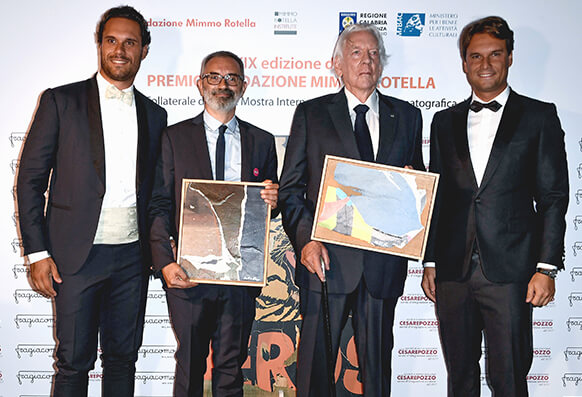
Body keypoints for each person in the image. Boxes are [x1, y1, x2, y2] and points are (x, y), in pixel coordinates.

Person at [16, 6, 167, 397]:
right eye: (111, 40)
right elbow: (30, 182)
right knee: (73, 364)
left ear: (144, 50)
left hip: (133, 260)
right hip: (74, 258)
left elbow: (159, 191)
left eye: (130, 42)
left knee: (123, 360)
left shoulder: (155, 115)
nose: (120, 50)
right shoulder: (60, 101)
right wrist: (37, 254)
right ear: (99, 45)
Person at [421, 16, 568, 397]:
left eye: (495, 55)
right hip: (453, 273)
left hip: (511, 273)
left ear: (510, 58)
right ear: (464, 63)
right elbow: (437, 197)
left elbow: (553, 197)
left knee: (508, 379)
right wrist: (431, 261)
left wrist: (546, 268)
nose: (485, 64)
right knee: (460, 378)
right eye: (475, 56)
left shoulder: (539, 117)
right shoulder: (443, 122)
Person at [279, 23, 424, 396]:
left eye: (374, 53)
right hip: (325, 261)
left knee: (378, 374)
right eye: (357, 53)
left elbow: (420, 189)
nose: (367, 60)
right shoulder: (311, 114)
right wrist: (305, 243)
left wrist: (414, 185)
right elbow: (291, 189)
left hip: (382, 264)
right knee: (314, 371)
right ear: (338, 65)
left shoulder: (407, 117)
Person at [148, 50, 279, 397]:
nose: (223, 85)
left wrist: (273, 201)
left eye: (232, 78)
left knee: (230, 368)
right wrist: (165, 262)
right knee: (189, 364)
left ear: (244, 86)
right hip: (189, 274)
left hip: (240, 274)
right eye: (214, 77)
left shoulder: (262, 142)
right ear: (199, 83)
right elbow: (159, 204)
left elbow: (268, 207)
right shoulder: (173, 138)